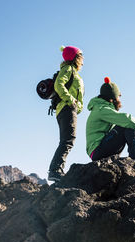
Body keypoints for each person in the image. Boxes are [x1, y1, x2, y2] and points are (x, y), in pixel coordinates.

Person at [86, 77, 135, 174]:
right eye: (118, 96)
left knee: (126, 126)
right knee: (124, 125)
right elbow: (126, 119)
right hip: (98, 151)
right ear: (112, 98)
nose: (119, 99)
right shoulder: (101, 109)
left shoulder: (103, 108)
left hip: (101, 149)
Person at [48, 45, 85, 181]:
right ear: (75, 58)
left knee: (67, 140)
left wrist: (77, 106)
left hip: (68, 109)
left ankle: (56, 170)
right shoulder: (68, 69)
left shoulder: (73, 71)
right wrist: (71, 100)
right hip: (66, 108)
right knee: (68, 140)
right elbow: (59, 84)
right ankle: (55, 170)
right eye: (81, 56)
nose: (83, 59)